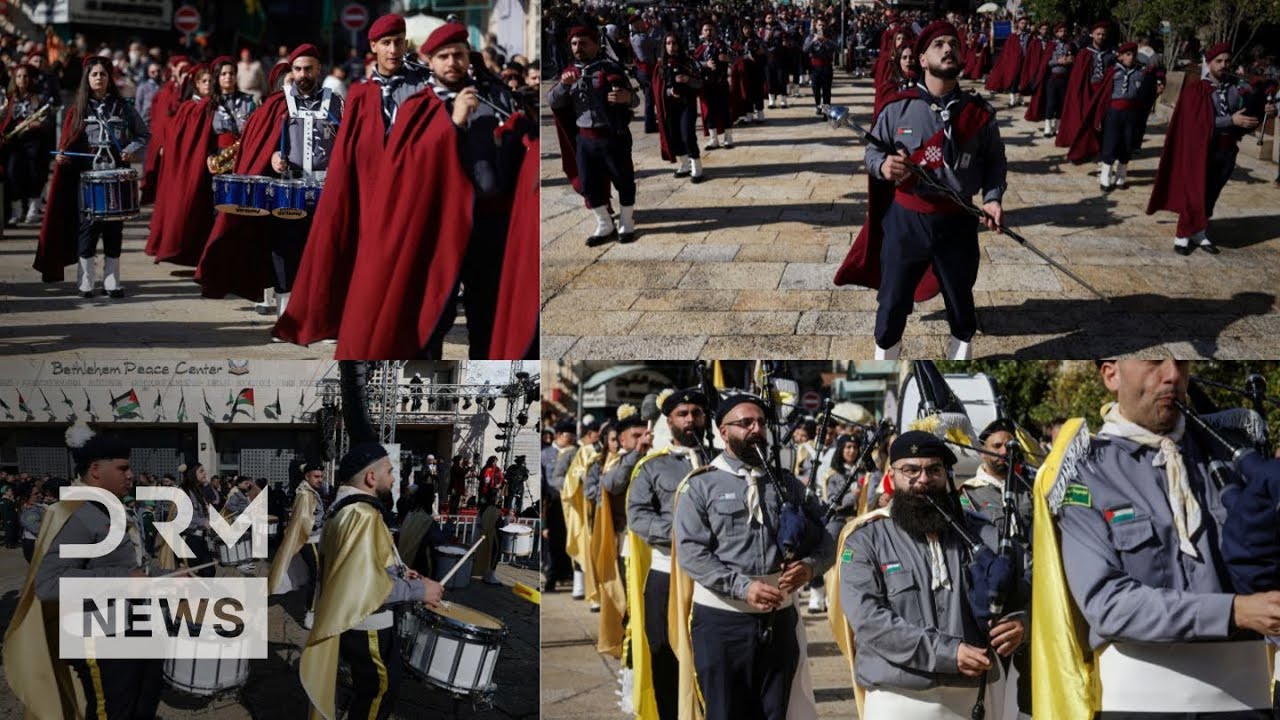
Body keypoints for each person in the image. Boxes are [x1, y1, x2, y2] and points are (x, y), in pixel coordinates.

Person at [1045, 360, 1276, 717]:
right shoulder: (1085, 472)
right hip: (1142, 707)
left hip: (1249, 701)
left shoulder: (1231, 454)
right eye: (1153, 362)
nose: (1172, 375)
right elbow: (1108, 604)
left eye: (1181, 363)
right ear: (1111, 374)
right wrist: (1234, 612)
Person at [841, 21, 1007, 361]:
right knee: (892, 300)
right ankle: (884, 359)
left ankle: (959, 358)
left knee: (961, 301)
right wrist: (883, 165)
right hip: (907, 219)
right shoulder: (898, 108)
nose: (948, 50)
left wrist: (992, 200)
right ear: (921, 58)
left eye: (954, 45)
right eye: (939, 45)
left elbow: (995, 163)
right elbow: (873, 151)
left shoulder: (979, 114)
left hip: (959, 220)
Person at [839, 430, 1028, 719]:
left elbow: (1032, 584)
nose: (923, 479)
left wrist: (1022, 623)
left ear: (946, 474)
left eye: (933, 470)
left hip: (975, 696)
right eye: (910, 470)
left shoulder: (983, 533)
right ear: (892, 475)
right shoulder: (866, 539)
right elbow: (868, 619)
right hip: (897, 696)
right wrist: (947, 653)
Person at [673, 393, 833, 718]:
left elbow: (828, 535)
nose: (756, 428)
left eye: (760, 422)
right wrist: (742, 587)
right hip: (723, 621)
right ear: (723, 432)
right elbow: (691, 553)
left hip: (780, 618)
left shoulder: (787, 484)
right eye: (745, 423)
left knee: (775, 711)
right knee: (726, 712)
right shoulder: (701, 485)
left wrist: (810, 566)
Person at [273, 13, 428, 347]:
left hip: (400, 189)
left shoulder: (419, 88)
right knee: (316, 252)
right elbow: (347, 149)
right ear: (373, 47)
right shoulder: (359, 94)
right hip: (349, 190)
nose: (393, 48)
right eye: (385, 43)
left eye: (398, 41)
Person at [5, 423, 163, 719]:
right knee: (111, 711)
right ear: (95, 470)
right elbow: (50, 584)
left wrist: (167, 576)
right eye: (123, 468)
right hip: (98, 634)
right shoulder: (75, 513)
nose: (130, 475)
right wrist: (125, 581)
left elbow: (133, 567)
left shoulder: (112, 509)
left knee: (144, 702)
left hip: (132, 623)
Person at [300, 442, 443, 720]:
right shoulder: (361, 514)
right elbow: (362, 583)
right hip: (368, 624)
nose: (394, 477)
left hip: (357, 620)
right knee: (379, 691)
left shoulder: (343, 508)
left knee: (372, 688)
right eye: (390, 471)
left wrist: (399, 571)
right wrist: (419, 589)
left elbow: (361, 564)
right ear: (371, 477)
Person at [626, 387, 712, 720]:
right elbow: (638, 516)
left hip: (713, 575)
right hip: (667, 571)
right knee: (663, 650)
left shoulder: (721, 462)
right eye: (683, 414)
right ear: (669, 420)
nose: (691, 419)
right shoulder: (653, 466)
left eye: (697, 413)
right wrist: (681, 536)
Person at [35, 56, 148, 297]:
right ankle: (86, 283)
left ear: (110, 78)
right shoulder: (78, 109)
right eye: (95, 74)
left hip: (115, 173)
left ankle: (112, 282)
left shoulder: (124, 107)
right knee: (88, 227)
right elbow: (66, 143)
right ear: (87, 78)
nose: (99, 78)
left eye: (103, 74)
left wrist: (128, 150)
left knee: (114, 229)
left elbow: (143, 134)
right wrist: (61, 157)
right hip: (87, 174)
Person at [1148, 43, 1273, 255]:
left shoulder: (1235, 87)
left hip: (1226, 150)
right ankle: (1183, 234)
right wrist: (1230, 120)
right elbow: (1197, 122)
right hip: (1201, 149)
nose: (1224, 65)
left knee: (1211, 193)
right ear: (1209, 63)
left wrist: (1266, 109)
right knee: (1194, 191)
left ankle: (1199, 230)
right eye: (1219, 61)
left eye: (1227, 61)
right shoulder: (1196, 90)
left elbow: (1248, 109)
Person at [548, 24, 639, 246]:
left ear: (596, 45)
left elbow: (635, 100)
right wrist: (563, 85)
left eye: (583, 43)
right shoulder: (569, 72)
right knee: (588, 184)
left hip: (612, 136)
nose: (578, 48)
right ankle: (605, 223)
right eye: (574, 43)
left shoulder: (611, 68)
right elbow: (552, 101)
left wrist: (626, 98)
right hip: (584, 139)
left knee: (623, 179)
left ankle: (627, 221)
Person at [144, 62, 219, 267]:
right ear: (195, 84)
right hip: (192, 168)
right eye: (204, 81)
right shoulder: (189, 108)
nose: (209, 84)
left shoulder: (213, 104)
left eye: (211, 81)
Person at [269, 459, 327, 628]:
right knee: (316, 576)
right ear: (307, 476)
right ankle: (310, 613)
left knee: (315, 575)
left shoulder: (308, 491)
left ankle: (312, 610)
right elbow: (304, 521)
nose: (320, 479)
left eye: (321, 476)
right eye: (316, 476)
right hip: (310, 540)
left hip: (314, 539)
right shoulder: (305, 494)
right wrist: (325, 520)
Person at [0, 64, 56, 226]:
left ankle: (33, 210)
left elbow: (49, 121)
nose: (22, 80)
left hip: (35, 143)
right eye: (18, 76)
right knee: (12, 173)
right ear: (14, 79)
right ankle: (16, 212)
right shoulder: (9, 99)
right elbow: (4, 119)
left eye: (25, 76)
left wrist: (39, 124)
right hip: (14, 143)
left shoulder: (38, 99)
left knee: (34, 174)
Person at [1095, 42, 1155, 191]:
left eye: (1133, 55)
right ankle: (1105, 177)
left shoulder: (1140, 73)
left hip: (1131, 114)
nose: (1131, 57)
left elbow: (1146, 92)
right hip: (1114, 113)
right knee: (1111, 143)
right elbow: (1104, 95)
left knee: (1127, 144)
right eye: (1128, 55)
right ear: (1120, 56)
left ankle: (1121, 178)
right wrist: (1100, 116)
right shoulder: (1112, 72)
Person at [1055, 21, 1115, 159]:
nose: (1101, 37)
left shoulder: (1111, 54)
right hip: (1089, 90)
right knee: (1086, 119)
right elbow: (1078, 77)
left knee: (1102, 120)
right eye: (1098, 34)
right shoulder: (1084, 53)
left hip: (1104, 91)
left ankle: (1100, 147)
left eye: (1103, 34)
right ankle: (1085, 146)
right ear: (1092, 35)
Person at [654, 32, 705, 183]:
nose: (671, 46)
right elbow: (657, 88)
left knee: (687, 135)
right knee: (673, 136)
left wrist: (687, 79)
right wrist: (669, 91)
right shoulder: (660, 65)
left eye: (674, 43)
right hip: (669, 107)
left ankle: (696, 166)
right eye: (668, 43)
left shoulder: (688, 61)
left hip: (686, 104)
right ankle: (685, 163)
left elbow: (700, 82)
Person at [1024, 23, 1072, 137]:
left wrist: (1071, 60)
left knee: (1061, 103)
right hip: (1052, 79)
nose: (1063, 33)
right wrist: (1058, 61)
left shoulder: (1069, 46)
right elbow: (1046, 62)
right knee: (1051, 103)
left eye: (1065, 31)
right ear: (1056, 33)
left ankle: (1058, 127)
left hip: (1064, 79)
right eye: (1060, 31)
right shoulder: (1051, 45)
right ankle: (1047, 126)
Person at [986, 16, 1030, 108]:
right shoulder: (1013, 37)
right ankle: (1013, 100)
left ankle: (1021, 99)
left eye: (1025, 23)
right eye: (1022, 23)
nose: (1024, 25)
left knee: (1023, 80)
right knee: (1014, 80)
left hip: (1025, 61)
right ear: (1018, 24)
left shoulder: (1029, 37)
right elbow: (1007, 51)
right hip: (1015, 62)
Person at [803, 17, 838, 116]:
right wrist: (814, 40)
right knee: (816, 88)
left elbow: (837, 47)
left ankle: (826, 110)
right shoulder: (810, 37)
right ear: (815, 26)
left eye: (823, 25)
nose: (821, 27)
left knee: (826, 90)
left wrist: (825, 40)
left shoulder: (830, 36)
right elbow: (805, 49)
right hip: (815, 67)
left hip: (826, 66)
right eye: (819, 25)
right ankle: (818, 105)